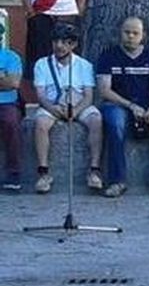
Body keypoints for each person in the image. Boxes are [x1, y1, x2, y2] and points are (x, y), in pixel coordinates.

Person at [94, 16, 149, 199]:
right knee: (116, 124)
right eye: (127, 32)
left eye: (135, 33)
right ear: (120, 33)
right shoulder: (108, 56)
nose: (130, 36)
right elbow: (104, 90)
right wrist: (130, 106)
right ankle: (117, 181)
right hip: (117, 104)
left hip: (147, 104)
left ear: (143, 35)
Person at [30, 22, 102, 194]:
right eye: (56, 42)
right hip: (52, 103)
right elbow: (40, 95)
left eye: (65, 42)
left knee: (96, 120)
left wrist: (75, 111)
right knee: (40, 123)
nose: (60, 46)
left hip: (78, 103)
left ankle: (94, 170)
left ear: (73, 45)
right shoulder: (41, 64)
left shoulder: (84, 65)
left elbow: (88, 96)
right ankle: (43, 172)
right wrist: (54, 109)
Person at [0, 21, 23, 190]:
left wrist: (7, 80)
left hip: (6, 102)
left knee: (11, 122)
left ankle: (13, 174)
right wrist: (2, 78)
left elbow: (14, 83)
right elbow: (6, 81)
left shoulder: (11, 57)